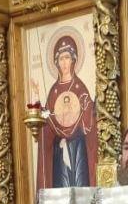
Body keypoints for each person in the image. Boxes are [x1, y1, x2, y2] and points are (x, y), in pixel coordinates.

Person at [36, 34, 98, 190]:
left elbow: (89, 117)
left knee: (80, 185)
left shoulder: (79, 87)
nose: (64, 62)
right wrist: (38, 106)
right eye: (61, 58)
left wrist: (94, 107)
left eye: (67, 58)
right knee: (61, 187)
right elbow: (48, 118)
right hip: (60, 148)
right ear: (56, 62)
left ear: (73, 60)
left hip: (77, 146)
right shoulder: (54, 91)